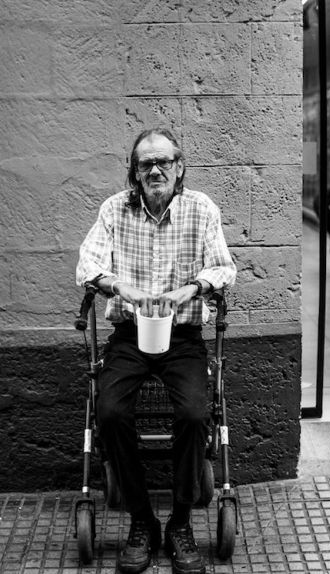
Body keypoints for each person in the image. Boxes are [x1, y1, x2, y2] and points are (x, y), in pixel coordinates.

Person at [76, 128, 236, 574]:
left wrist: (193, 288)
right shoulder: (114, 209)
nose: (155, 170)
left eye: (163, 161)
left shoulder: (200, 208)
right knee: (108, 413)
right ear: (135, 171)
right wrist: (118, 285)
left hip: (182, 337)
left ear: (179, 166)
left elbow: (224, 267)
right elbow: (86, 264)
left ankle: (181, 522)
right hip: (130, 334)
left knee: (191, 414)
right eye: (146, 163)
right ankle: (142, 522)